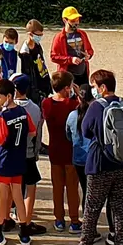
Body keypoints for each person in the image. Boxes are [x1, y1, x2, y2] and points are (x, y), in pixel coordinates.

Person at [72, 68, 123, 245]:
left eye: (94, 86)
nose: (93, 90)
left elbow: (86, 131)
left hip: (101, 163)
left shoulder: (96, 107)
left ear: (102, 87)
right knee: (120, 206)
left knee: (92, 207)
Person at [0, 78, 36, 245]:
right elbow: (32, 130)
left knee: (2, 196)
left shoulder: (3, 116)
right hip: (18, 158)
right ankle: (24, 230)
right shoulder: (23, 112)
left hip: (4, 160)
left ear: (8, 96)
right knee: (18, 195)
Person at [43, 70, 82, 233]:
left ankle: (59, 218)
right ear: (67, 88)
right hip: (70, 151)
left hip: (54, 149)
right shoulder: (73, 104)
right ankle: (74, 219)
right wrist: (78, 95)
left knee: (57, 187)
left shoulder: (46, 103)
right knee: (72, 187)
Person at [13, 75, 46, 234]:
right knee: (30, 188)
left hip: (11, 154)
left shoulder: (7, 108)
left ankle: (6, 219)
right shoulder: (34, 108)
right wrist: (37, 151)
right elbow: (38, 133)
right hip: (28, 153)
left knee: (11, 187)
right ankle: (26, 221)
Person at [52, 7, 94, 87]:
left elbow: (90, 50)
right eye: (72, 21)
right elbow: (53, 57)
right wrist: (71, 60)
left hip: (83, 73)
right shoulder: (59, 37)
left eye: (77, 20)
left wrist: (88, 55)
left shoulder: (82, 34)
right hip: (68, 75)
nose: (76, 23)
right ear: (65, 20)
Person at [20, 19, 49, 101]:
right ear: (30, 34)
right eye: (38, 35)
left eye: (41, 35)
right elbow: (26, 73)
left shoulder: (37, 45)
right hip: (33, 89)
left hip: (42, 83)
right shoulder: (24, 53)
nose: (39, 37)